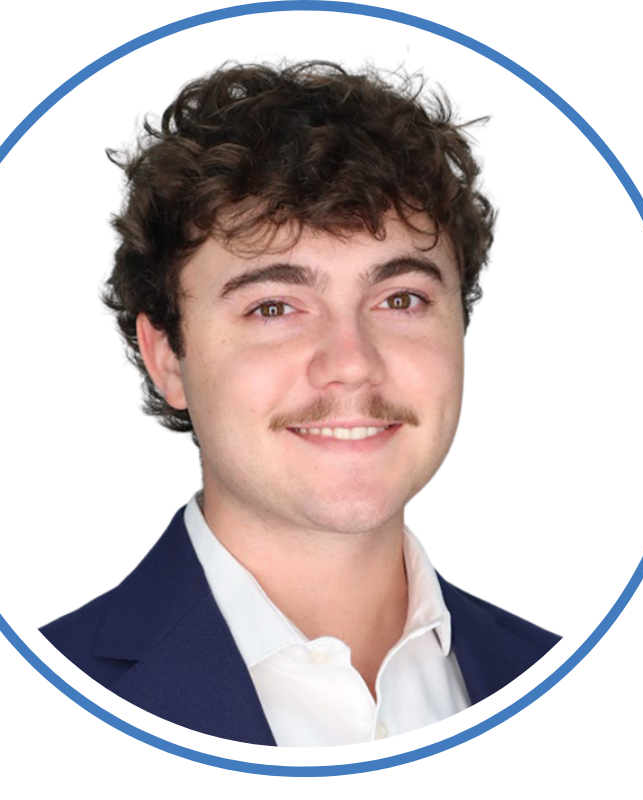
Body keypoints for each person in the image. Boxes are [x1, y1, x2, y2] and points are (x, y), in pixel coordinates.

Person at [41, 60, 560, 747]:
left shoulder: (545, 665)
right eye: (274, 307)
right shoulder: (66, 675)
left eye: (400, 299)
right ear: (167, 355)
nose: (351, 362)